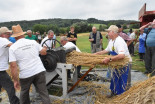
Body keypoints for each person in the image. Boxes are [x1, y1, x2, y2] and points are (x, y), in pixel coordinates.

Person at [9, 24, 51, 104]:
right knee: (43, 92)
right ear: (23, 34)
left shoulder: (13, 48)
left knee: (24, 93)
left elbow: (13, 66)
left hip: (26, 74)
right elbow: (43, 53)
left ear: (14, 37)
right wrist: (44, 49)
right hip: (39, 71)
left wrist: (15, 80)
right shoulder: (33, 42)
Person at [95, 25, 132, 97]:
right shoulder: (111, 41)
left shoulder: (119, 41)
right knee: (115, 78)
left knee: (123, 81)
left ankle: (123, 97)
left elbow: (122, 56)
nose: (107, 34)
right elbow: (106, 50)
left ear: (113, 32)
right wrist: (96, 54)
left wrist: (109, 59)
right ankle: (114, 93)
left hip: (125, 64)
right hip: (116, 63)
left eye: (108, 32)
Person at [0, 27, 20, 104]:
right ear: (3, 34)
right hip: (0, 70)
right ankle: (15, 102)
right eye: (8, 34)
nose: (9, 35)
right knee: (10, 87)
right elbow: (14, 47)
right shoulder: (3, 40)